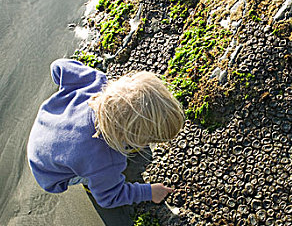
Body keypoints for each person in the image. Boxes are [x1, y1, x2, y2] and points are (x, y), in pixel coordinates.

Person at [27, 59, 184, 208]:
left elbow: (58, 66)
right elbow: (110, 198)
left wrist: (66, 96)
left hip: (45, 126)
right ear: (128, 136)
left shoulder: (94, 82)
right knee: (99, 178)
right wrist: (148, 192)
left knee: (89, 162)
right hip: (48, 172)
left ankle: (88, 171)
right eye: (147, 139)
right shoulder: (105, 159)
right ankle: (90, 184)